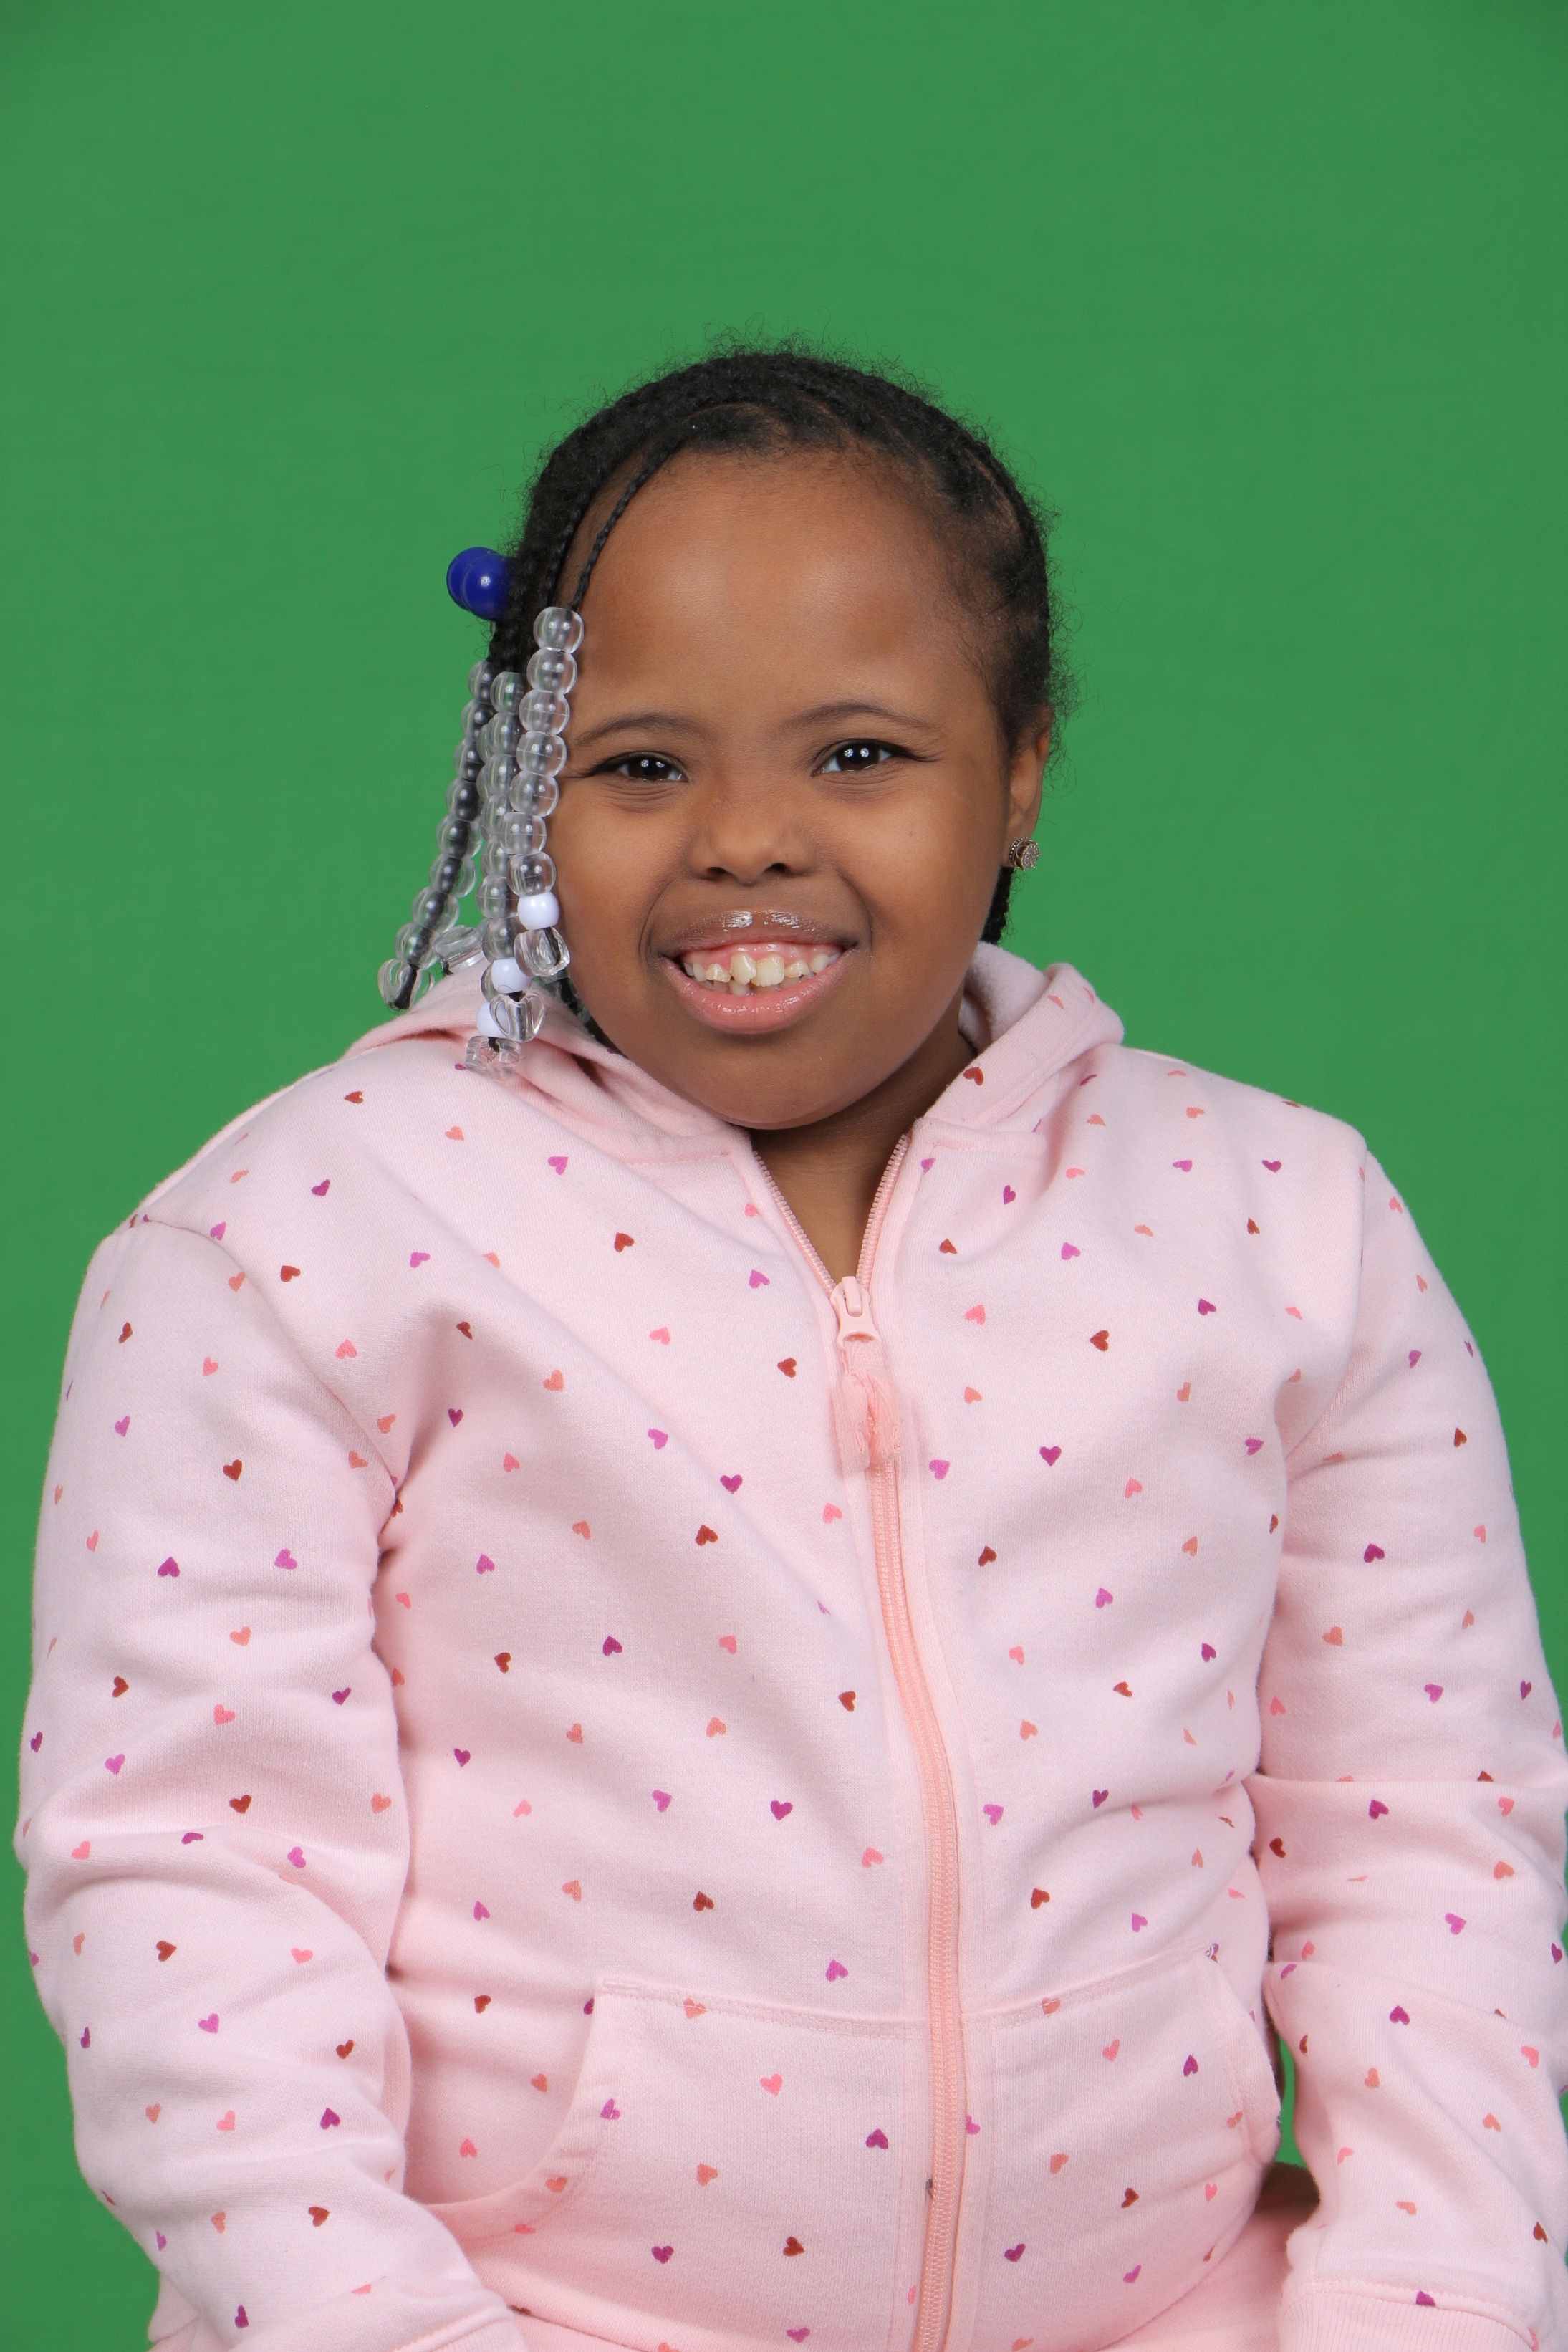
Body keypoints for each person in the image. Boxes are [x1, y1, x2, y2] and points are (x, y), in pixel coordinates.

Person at [16, 349, 1567, 2352]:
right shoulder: (300, 1239)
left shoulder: (1282, 1223)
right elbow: (193, 1874)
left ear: (1021, 771)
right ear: (521, 775)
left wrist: (1432, 2303)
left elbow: (1428, 1823)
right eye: (641, 765)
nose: (747, 838)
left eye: (857, 753)